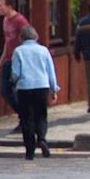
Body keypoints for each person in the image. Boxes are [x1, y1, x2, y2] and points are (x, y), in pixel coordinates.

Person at [10, 25, 58, 160]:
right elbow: (50, 71)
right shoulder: (44, 51)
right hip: (42, 86)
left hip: (24, 87)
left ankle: (30, 151)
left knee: (26, 118)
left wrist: (13, 82)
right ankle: (42, 138)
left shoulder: (18, 51)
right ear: (36, 36)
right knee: (41, 115)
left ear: (21, 38)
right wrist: (54, 89)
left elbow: (15, 73)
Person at [0, 0, 30, 127]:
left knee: (20, 91)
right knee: (5, 90)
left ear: (9, 6)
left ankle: (25, 119)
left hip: (19, 60)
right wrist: (1, 60)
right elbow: (7, 42)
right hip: (9, 59)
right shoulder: (5, 20)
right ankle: (24, 115)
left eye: (0, 5)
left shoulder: (20, 21)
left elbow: (29, 39)